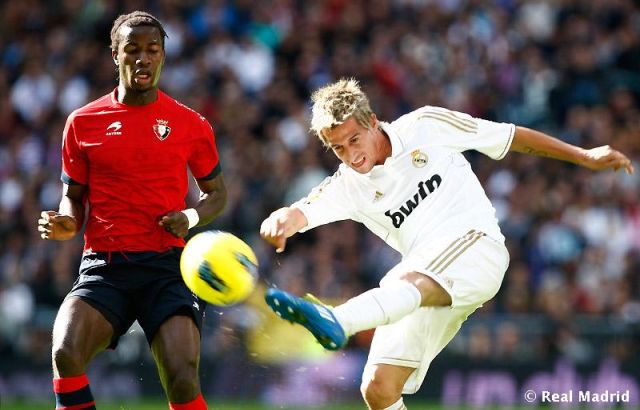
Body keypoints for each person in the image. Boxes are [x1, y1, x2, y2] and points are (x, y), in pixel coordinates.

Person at [260, 78, 634, 410]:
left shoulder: (426, 125)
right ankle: (343, 322)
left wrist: (583, 155)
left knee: (405, 279)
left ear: (373, 121)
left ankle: (339, 319)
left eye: (354, 140)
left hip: (478, 249)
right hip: (421, 283)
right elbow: (302, 211)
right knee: (378, 388)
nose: (351, 156)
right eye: (338, 148)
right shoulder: (348, 184)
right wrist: (281, 219)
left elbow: (509, 137)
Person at [37, 11, 226, 410]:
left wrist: (190, 218)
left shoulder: (190, 124)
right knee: (65, 353)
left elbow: (217, 195)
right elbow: (73, 197)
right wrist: (66, 221)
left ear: (163, 57)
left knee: (181, 377)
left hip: (168, 268)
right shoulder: (82, 123)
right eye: (133, 49)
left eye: (153, 50)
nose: (143, 58)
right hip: (105, 267)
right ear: (115, 54)